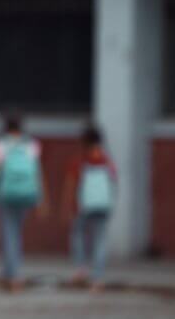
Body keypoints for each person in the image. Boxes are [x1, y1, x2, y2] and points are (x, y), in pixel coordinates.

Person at [0, 111, 49, 293]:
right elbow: (38, 173)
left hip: (5, 194)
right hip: (26, 195)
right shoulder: (31, 145)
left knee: (9, 235)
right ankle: (7, 275)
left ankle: (14, 277)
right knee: (15, 234)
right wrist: (42, 200)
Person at [61, 125, 116, 293]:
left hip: (83, 206)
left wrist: (67, 206)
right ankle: (98, 279)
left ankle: (81, 269)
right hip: (103, 205)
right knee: (99, 241)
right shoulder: (106, 161)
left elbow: (71, 185)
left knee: (77, 234)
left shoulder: (81, 161)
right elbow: (114, 182)